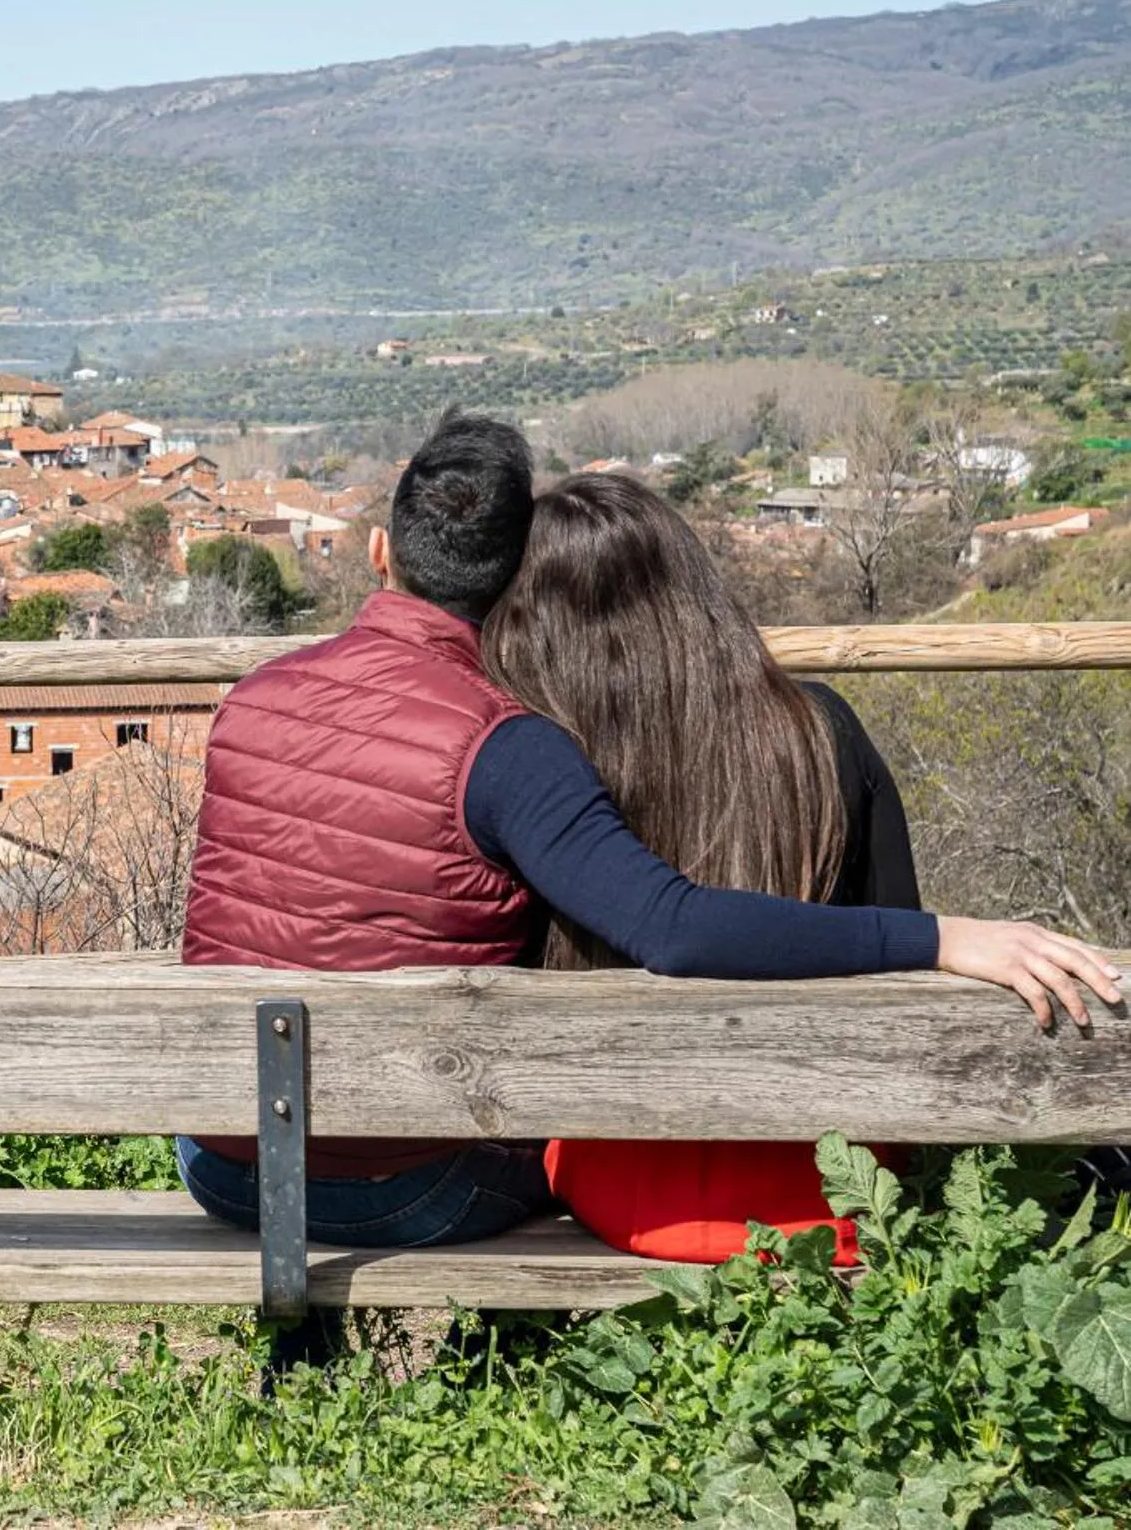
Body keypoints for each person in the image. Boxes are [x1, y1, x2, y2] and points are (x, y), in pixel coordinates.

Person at [176, 414, 1119, 1268]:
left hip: (229, 1157)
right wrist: (948, 938)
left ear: (380, 552)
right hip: (724, 1194)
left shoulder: (263, 699)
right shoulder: (520, 753)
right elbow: (677, 926)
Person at [481, 471, 917, 1264]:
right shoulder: (824, 731)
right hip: (831, 1190)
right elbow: (899, 952)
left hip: (622, 1185)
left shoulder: (541, 771)